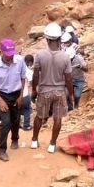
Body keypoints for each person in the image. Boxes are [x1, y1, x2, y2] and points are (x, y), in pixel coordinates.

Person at [31, 23, 74, 153]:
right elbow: (68, 79)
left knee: (39, 116)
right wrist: (71, 94)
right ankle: (52, 144)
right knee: (58, 118)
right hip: (59, 92)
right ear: (59, 39)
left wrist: (34, 89)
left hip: (44, 91)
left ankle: (34, 141)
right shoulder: (65, 56)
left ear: (47, 39)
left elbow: (35, 75)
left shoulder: (39, 55)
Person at [0, 39, 26, 162]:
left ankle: (15, 139)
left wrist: (21, 96)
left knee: (16, 119)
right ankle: (1, 149)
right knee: (5, 122)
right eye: (7, 54)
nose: (10, 57)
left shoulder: (20, 61)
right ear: (0, 52)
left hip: (16, 94)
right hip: (2, 95)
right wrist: (0, 100)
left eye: (12, 54)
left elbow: (23, 78)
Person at [21, 54, 34, 131]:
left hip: (15, 94)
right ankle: (26, 125)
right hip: (25, 94)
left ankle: (15, 125)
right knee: (27, 109)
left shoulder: (17, 67)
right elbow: (32, 83)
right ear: (30, 62)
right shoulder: (28, 71)